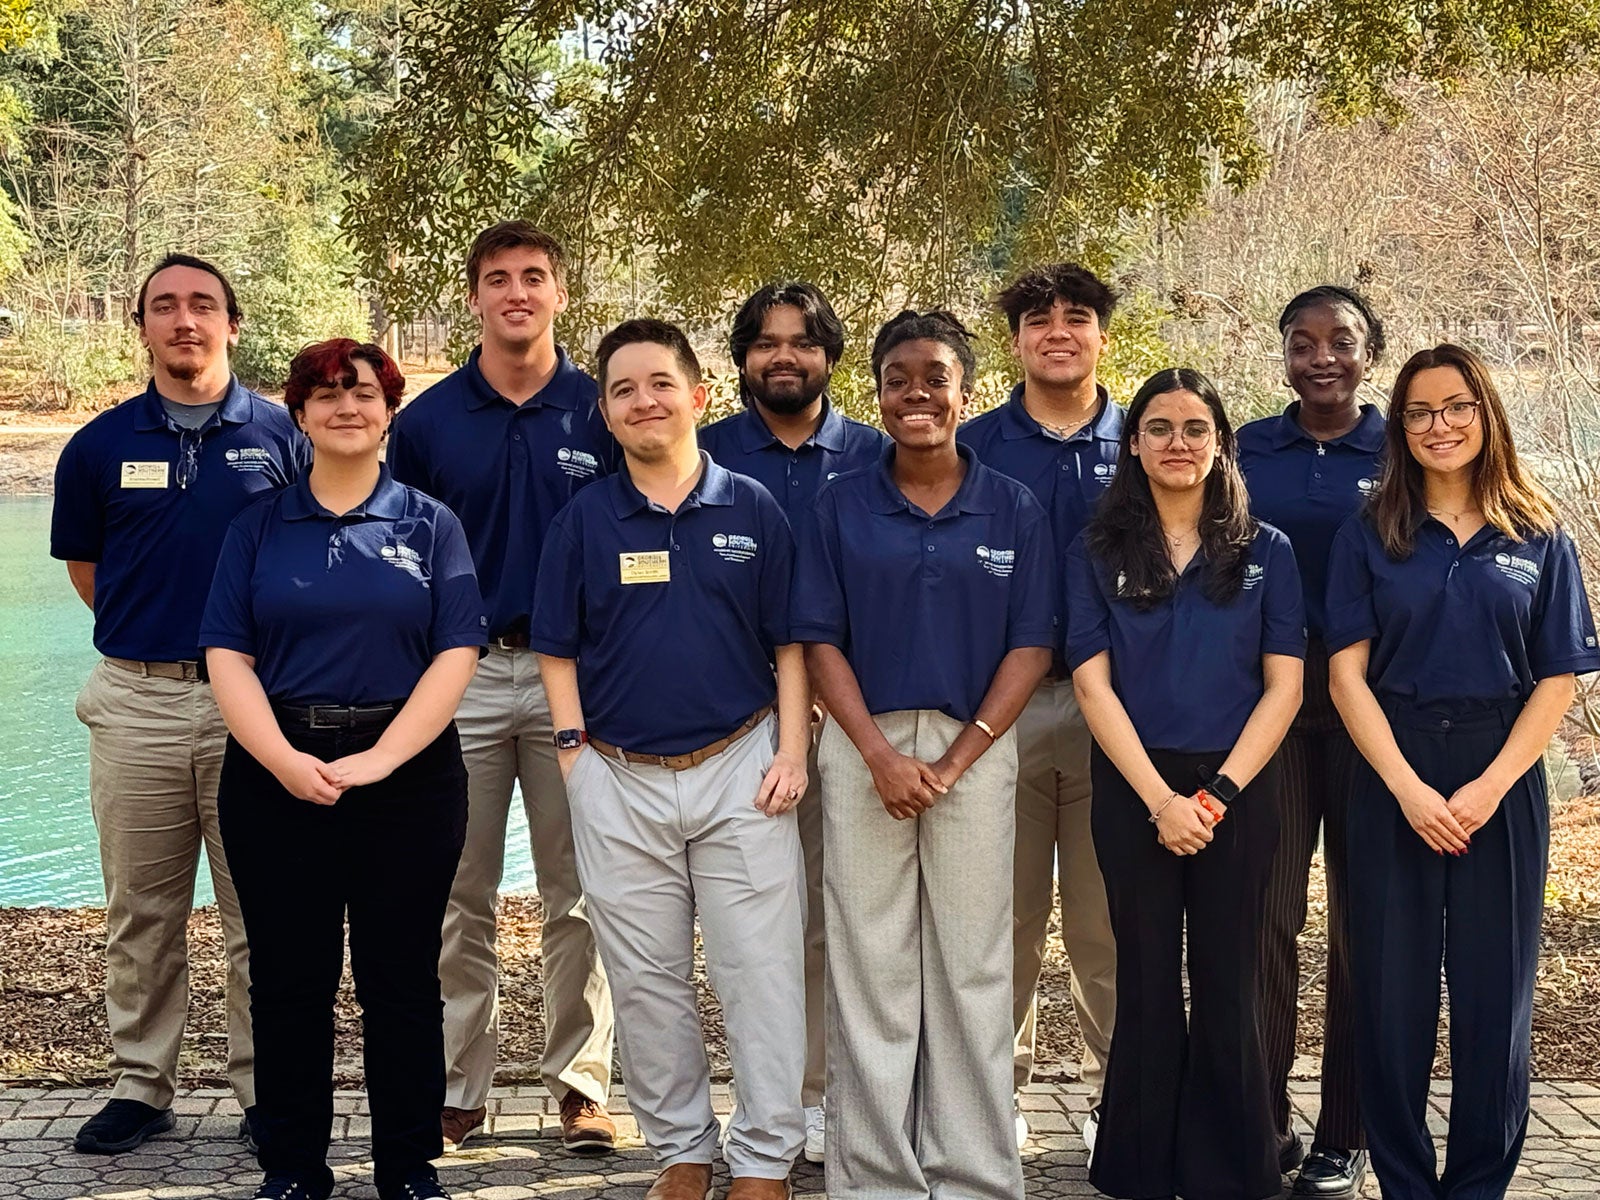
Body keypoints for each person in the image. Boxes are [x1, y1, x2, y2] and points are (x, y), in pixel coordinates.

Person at [201, 338, 485, 1200]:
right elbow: (227, 653)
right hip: (276, 774)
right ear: (299, 415)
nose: (345, 406)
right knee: (289, 978)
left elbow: (456, 649)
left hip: (409, 774)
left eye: (362, 392)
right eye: (323, 395)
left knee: (402, 977)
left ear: (389, 410)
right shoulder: (257, 526)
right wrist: (285, 760)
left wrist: (383, 758)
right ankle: (293, 1166)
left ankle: (407, 1165)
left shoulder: (431, 523)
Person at [531, 319, 809, 1200]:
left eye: (659, 383)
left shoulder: (753, 507)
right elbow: (557, 649)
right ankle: (683, 1151)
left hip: (744, 768)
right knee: (646, 980)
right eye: (622, 390)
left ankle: (765, 1159)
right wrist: (574, 755)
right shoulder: (583, 519)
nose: (643, 400)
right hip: (617, 775)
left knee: (760, 974)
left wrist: (792, 750)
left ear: (699, 396)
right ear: (607, 416)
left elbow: (791, 644)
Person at [1326, 344, 1599, 1200]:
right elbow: (1343, 674)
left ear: (1486, 413)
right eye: (1419, 412)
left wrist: (1487, 788)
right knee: (1391, 999)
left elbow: (1559, 676)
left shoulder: (1539, 531)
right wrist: (1409, 790)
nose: (1439, 425)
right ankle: (1405, 1183)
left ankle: (1479, 1185)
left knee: (1495, 1002)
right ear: (1399, 428)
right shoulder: (1369, 531)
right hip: (1392, 770)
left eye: (1456, 407)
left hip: (1502, 773)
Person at [50, 254, 307, 1154]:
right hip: (138, 703)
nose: (185, 321)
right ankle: (141, 1083)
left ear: (233, 323)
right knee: (143, 909)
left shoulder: (283, 436)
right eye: (166, 307)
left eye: (203, 305)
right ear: (144, 327)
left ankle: (264, 1088)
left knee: (261, 911)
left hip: (260, 710)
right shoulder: (98, 445)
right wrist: (163, 650)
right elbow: (92, 575)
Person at [794, 310, 1054, 1200]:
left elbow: (1032, 643)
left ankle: (974, 1171)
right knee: (869, 962)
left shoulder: (1012, 505)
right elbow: (820, 637)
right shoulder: (841, 503)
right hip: (865, 746)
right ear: (878, 392)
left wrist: (961, 754)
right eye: (899, 378)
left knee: (974, 961)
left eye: (935, 377)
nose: (917, 394)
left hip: (975, 747)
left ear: (965, 392)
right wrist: (875, 753)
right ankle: (874, 1177)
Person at [387, 220, 618, 1154]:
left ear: (560, 293)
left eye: (534, 277)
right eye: (497, 279)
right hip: (463, 677)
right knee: (457, 891)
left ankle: (582, 1085)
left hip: (580, 680)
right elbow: (392, 552)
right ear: (474, 297)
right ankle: (456, 1087)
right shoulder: (431, 422)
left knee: (581, 891)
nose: (516, 293)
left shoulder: (603, 410)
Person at [1065, 368, 1305, 1200]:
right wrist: (1160, 800)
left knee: (1230, 975)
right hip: (1136, 786)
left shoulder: (1266, 550)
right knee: (1147, 979)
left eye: (1196, 428)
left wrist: (1220, 794)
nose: (1178, 443)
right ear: (1133, 444)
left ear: (1220, 443)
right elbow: (1092, 685)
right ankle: (1140, 1165)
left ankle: (1233, 1166)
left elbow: (1285, 686)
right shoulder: (1097, 551)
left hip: (1239, 789)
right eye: (1159, 428)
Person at [698, 281, 885, 1164]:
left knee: (857, 916)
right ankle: (784, 1100)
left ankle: (857, 1093)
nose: (784, 356)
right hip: (746, 728)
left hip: (863, 719)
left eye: (803, 342)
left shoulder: (879, 454)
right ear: (741, 360)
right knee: (770, 925)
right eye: (766, 342)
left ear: (829, 358)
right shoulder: (702, 458)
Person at [958, 263, 1121, 1152]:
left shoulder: (1149, 439)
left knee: (1107, 924)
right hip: (1002, 713)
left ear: (1102, 335)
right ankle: (995, 1101)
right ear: (1016, 340)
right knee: (1003, 919)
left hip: (1117, 720)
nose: (1059, 332)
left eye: (1078, 318)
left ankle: (1115, 1102)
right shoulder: (973, 444)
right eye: (1040, 320)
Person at [1236, 284, 1386, 1198]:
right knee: (1266, 921)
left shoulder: (1400, 447)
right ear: (1283, 353)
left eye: (1342, 341)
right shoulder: (1249, 449)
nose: (1322, 356)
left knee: (1364, 927)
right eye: (1303, 341)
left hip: (1375, 718)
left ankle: (1347, 1131)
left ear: (1370, 352)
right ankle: (1262, 1120)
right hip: (1276, 716)